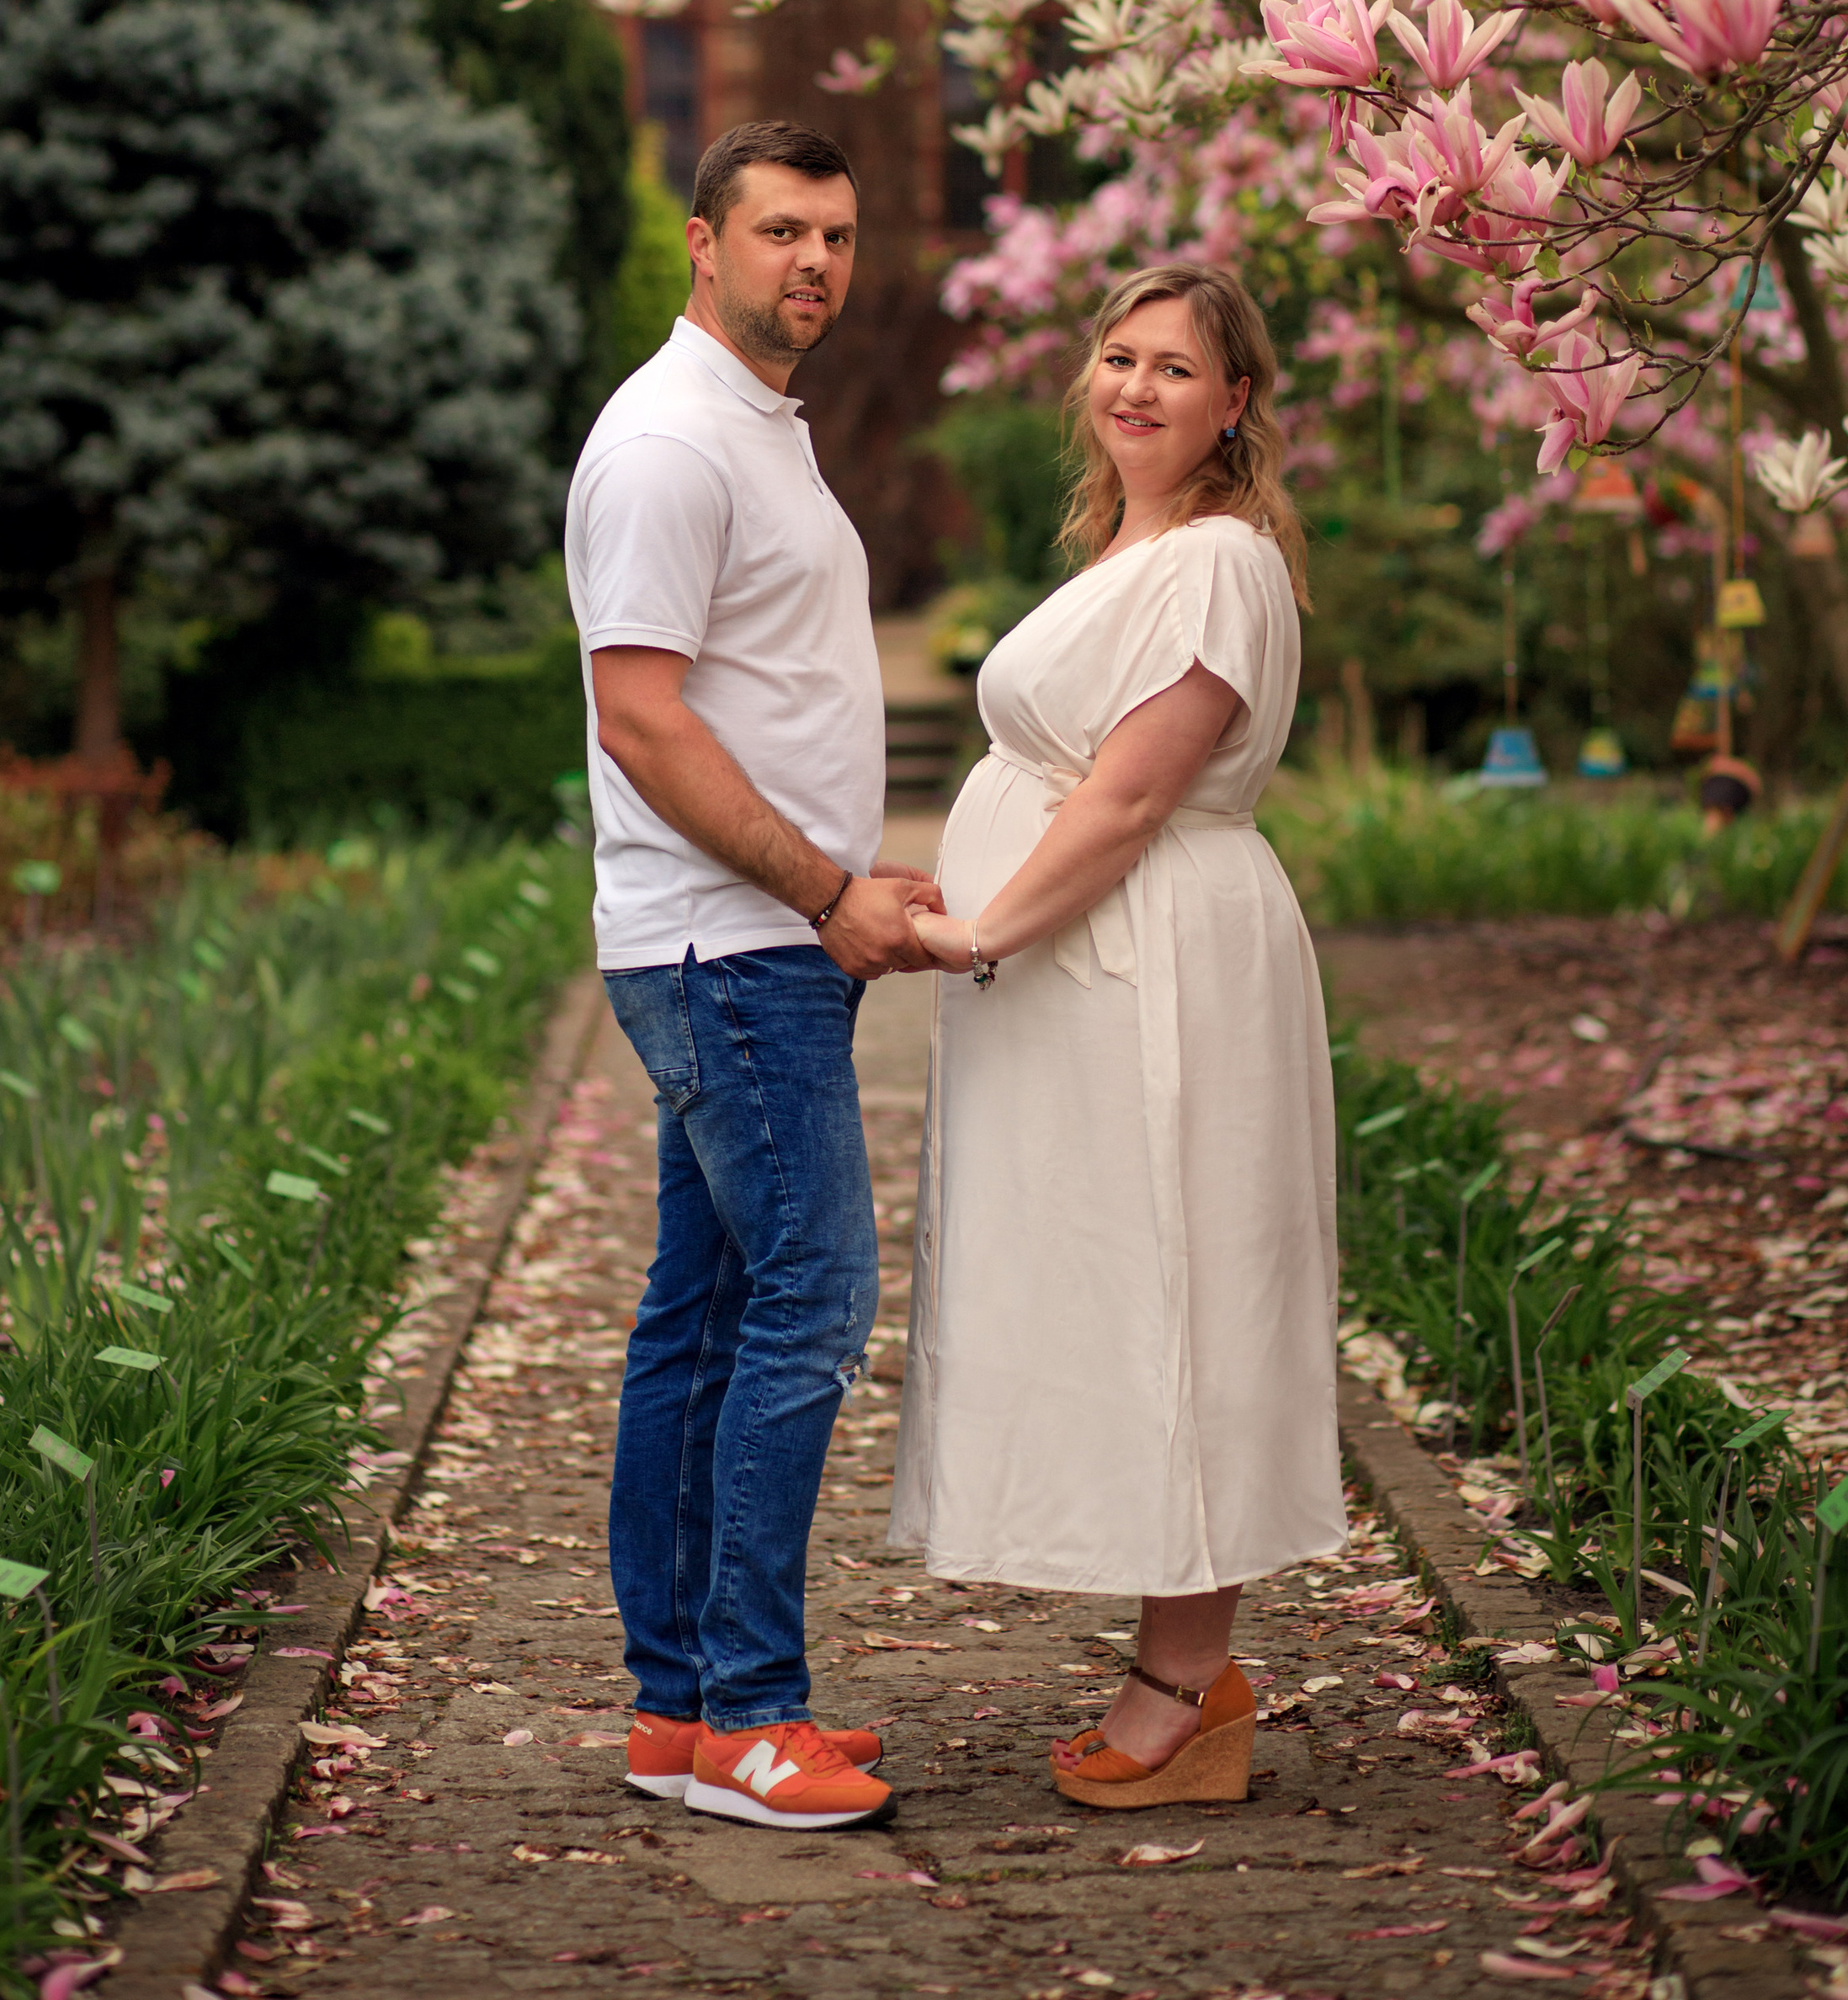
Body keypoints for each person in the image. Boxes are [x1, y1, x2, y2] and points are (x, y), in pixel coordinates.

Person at [888, 260, 1347, 1811]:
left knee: (1184, 1283)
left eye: (1177, 368)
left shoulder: (1219, 560)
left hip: (1147, 963)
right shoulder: (1130, 548)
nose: (1137, 387)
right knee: (1120, 1286)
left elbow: (1135, 796)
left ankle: (1189, 1683)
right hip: (1085, 968)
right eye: (1119, 357)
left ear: (1238, 405)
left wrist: (983, 930)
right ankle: (1181, 1664)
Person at [567, 117, 941, 1833]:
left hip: (755, 939)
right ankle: (750, 1722)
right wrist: (821, 888)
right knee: (808, 1306)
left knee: (705, 1322)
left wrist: (852, 882)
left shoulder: (754, 428)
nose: (813, 262)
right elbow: (640, 719)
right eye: (779, 230)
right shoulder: (662, 445)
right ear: (699, 246)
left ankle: (680, 1711)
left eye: (836, 236)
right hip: (736, 943)